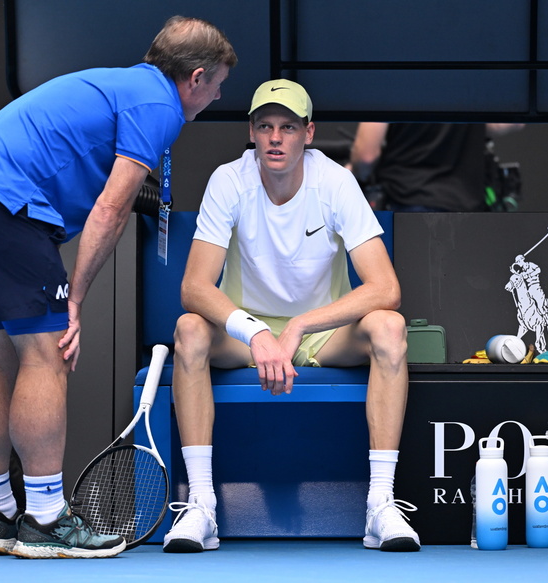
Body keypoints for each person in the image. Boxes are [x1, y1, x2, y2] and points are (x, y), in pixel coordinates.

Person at [0, 16, 236, 559]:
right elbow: (112, 208)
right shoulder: (159, 105)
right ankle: (46, 520)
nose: (215, 97)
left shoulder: (121, 85)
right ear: (197, 77)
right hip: (3, 203)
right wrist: (77, 299)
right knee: (46, 355)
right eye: (218, 86)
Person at [162, 79, 421, 553]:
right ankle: (202, 506)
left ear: (309, 133)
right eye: (265, 127)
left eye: (287, 127)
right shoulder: (229, 180)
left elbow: (386, 288)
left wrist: (301, 325)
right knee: (189, 330)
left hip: (324, 334)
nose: (276, 138)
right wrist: (257, 331)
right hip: (247, 337)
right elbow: (193, 288)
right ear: (253, 133)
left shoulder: (335, 182)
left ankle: (380, 504)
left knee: (390, 326)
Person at [349, 122, 523, 212]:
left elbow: (366, 157)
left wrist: (353, 173)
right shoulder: (470, 71)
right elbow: (513, 119)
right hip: (468, 207)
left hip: (405, 205)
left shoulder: (390, 73)